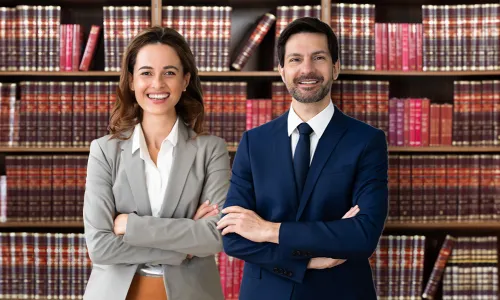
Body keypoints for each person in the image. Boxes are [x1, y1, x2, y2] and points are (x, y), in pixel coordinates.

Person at [217, 17, 388, 300]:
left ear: (335, 68)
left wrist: (268, 230)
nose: (307, 69)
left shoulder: (366, 141)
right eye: (295, 59)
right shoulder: (253, 143)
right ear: (282, 71)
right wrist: (309, 260)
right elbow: (233, 238)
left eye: (318, 58)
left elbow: (362, 236)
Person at [83, 26, 229, 300]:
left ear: (185, 80)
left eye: (169, 73)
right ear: (131, 80)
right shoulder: (104, 151)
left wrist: (132, 226)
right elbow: (100, 246)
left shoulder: (211, 150)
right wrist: (185, 245)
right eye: (146, 72)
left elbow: (216, 236)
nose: (158, 84)